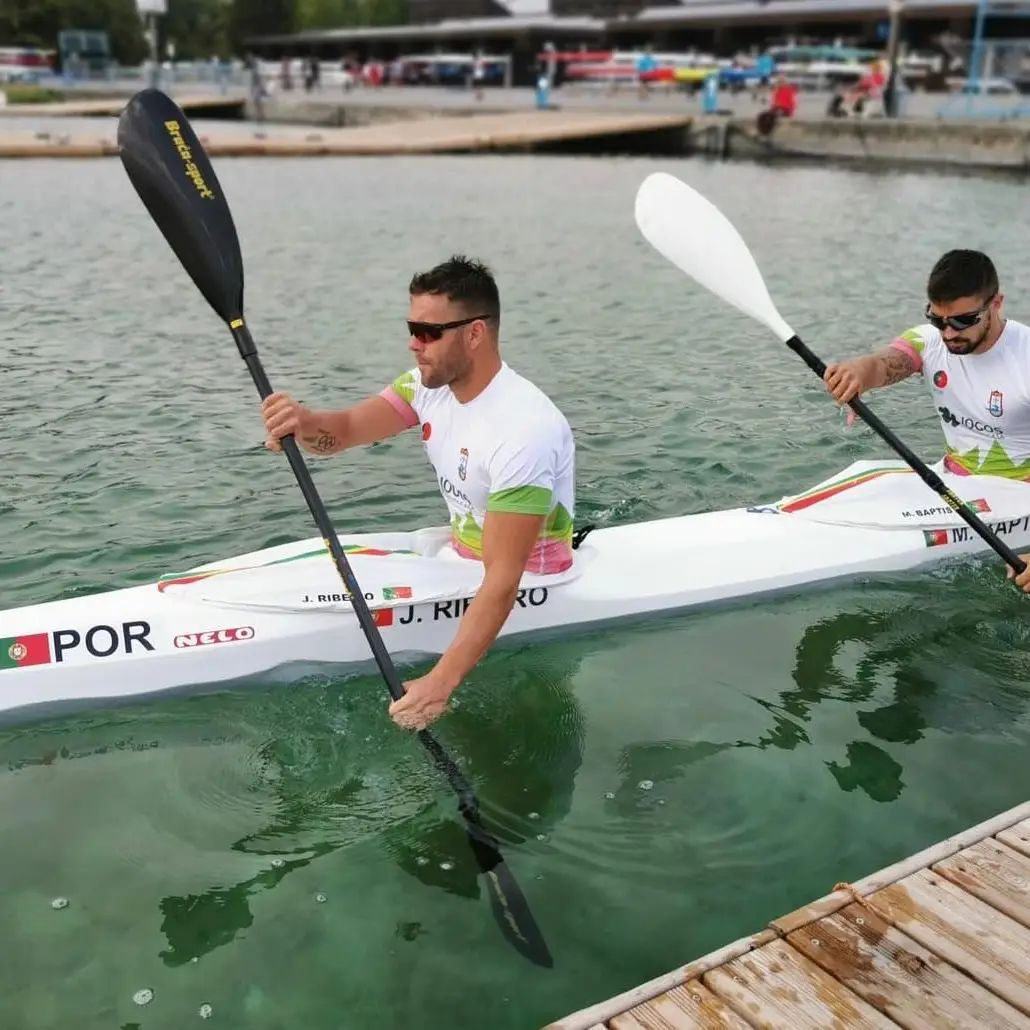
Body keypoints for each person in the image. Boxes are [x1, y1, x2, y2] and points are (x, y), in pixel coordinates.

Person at [261, 255, 576, 730]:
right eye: (412, 328)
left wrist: (438, 684)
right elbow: (342, 431)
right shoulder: (426, 388)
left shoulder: (525, 430)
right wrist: (302, 422)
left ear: (475, 333)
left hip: (530, 580)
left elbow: (504, 581)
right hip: (459, 554)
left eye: (428, 332)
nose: (414, 344)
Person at [821, 248, 1030, 592]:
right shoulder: (929, 341)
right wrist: (858, 372)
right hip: (953, 485)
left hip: (1017, 499)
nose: (948, 334)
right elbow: (883, 364)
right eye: (938, 320)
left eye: (963, 321)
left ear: (996, 304)